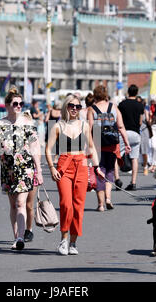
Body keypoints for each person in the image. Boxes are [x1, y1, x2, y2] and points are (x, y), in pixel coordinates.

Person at [46, 94, 104, 255]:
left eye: (78, 107)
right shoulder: (58, 126)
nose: (74, 109)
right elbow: (48, 149)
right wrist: (52, 168)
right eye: (71, 106)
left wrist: (97, 167)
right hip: (64, 165)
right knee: (66, 204)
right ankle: (63, 240)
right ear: (66, 106)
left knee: (78, 206)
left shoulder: (84, 125)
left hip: (82, 165)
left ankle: (73, 242)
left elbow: (92, 147)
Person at [0, 87, 43, 250]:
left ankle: (20, 237)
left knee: (21, 203)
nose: (19, 106)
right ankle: (16, 236)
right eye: (15, 103)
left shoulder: (27, 123)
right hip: (8, 169)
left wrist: (38, 170)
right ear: (7, 105)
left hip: (25, 168)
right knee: (13, 205)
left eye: (21, 103)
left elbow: (35, 147)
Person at [87, 85, 131, 212]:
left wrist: (89, 145)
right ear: (106, 95)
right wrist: (126, 143)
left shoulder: (92, 109)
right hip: (112, 144)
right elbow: (121, 127)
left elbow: (89, 129)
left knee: (99, 171)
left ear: (95, 96)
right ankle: (108, 199)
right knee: (110, 171)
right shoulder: (113, 107)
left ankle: (100, 205)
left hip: (98, 145)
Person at [118, 85, 145, 191]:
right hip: (135, 133)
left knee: (118, 156)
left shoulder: (122, 104)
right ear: (137, 92)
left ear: (128, 92)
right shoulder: (140, 105)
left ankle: (117, 179)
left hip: (123, 132)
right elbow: (140, 121)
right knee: (134, 158)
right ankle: (133, 182)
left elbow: (118, 119)